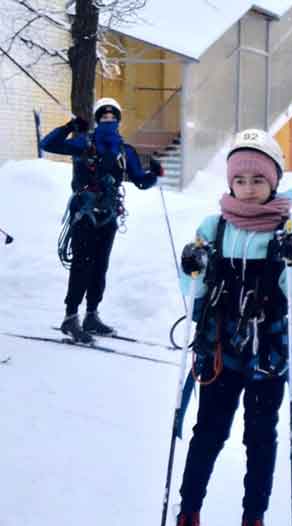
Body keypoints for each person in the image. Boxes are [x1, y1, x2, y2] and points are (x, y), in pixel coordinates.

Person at [175, 129, 292, 526]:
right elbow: (192, 291)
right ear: (229, 182)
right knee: (209, 430)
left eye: (258, 180)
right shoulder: (212, 226)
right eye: (240, 180)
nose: (248, 189)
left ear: (274, 181)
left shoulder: (289, 228)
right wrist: (194, 265)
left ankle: (253, 517)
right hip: (220, 347)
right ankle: (189, 512)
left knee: (259, 435)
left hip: (267, 349)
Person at [40, 97, 163, 342]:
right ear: (97, 120)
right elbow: (48, 144)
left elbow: (140, 180)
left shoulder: (125, 151)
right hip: (84, 214)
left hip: (108, 216)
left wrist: (155, 174)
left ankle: (91, 315)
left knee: (100, 267)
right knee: (82, 266)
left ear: (118, 120)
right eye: (104, 117)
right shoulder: (82, 143)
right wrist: (69, 127)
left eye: (112, 117)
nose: (108, 121)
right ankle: (70, 317)